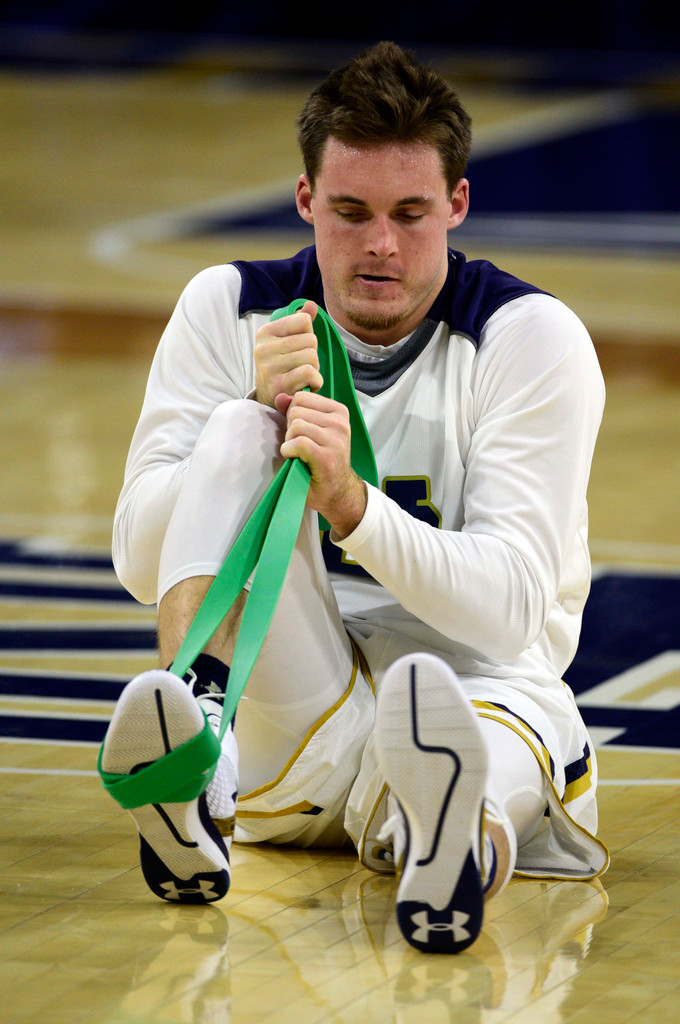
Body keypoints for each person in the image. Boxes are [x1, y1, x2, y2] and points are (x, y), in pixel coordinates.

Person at [100, 40, 609, 954]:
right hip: (300, 713)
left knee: (474, 737)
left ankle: (448, 849)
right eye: (351, 211)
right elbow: (140, 561)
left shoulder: (531, 339)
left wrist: (352, 506)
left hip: (478, 684)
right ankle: (196, 750)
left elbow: (508, 617)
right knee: (233, 432)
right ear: (304, 202)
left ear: (457, 204)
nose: (381, 244)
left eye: (412, 214)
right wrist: (251, 413)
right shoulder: (229, 308)